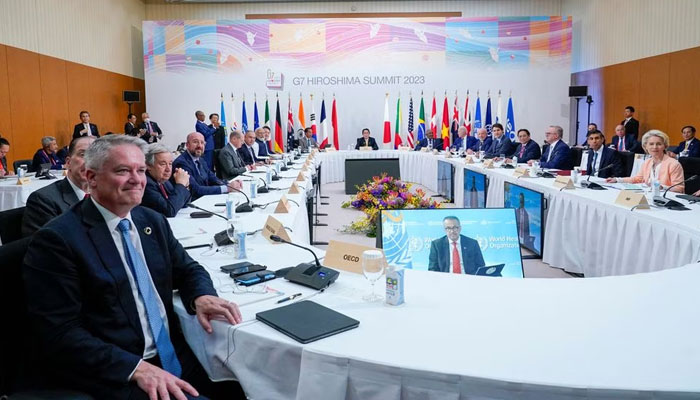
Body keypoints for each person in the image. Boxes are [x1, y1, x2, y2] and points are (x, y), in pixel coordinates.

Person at [23, 134, 245, 400]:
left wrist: (201, 295)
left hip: (175, 353)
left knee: (251, 385)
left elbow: (188, 269)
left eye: (140, 170)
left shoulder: (151, 221)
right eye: (122, 171)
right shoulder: (58, 240)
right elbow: (60, 332)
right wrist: (135, 368)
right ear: (91, 178)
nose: (137, 179)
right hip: (120, 370)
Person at [22, 136, 95, 235]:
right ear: (68, 163)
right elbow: (45, 246)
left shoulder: (107, 195)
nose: (90, 161)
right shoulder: (43, 200)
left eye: (96, 156)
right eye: (83, 154)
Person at [606, 130, 685, 193]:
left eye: (659, 144)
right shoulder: (647, 162)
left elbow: (679, 188)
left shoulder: (673, 164)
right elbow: (637, 179)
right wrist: (617, 180)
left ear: (665, 146)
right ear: (645, 146)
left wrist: (662, 187)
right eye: (651, 144)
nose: (654, 147)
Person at [173, 132, 241, 200]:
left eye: (202, 143)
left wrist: (229, 184)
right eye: (195, 142)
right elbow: (196, 190)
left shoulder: (201, 160)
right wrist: (227, 188)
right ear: (187, 145)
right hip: (194, 202)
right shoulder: (182, 163)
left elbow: (213, 178)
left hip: (205, 198)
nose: (199, 145)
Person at [141, 143, 191, 217]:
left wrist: (185, 185)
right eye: (163, 164)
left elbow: (184, 203)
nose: (168, 169)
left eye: (170, 164)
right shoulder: (146, 183)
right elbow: (169, 211)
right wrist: (181, 185)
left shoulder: (163, 181)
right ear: (148, 166)